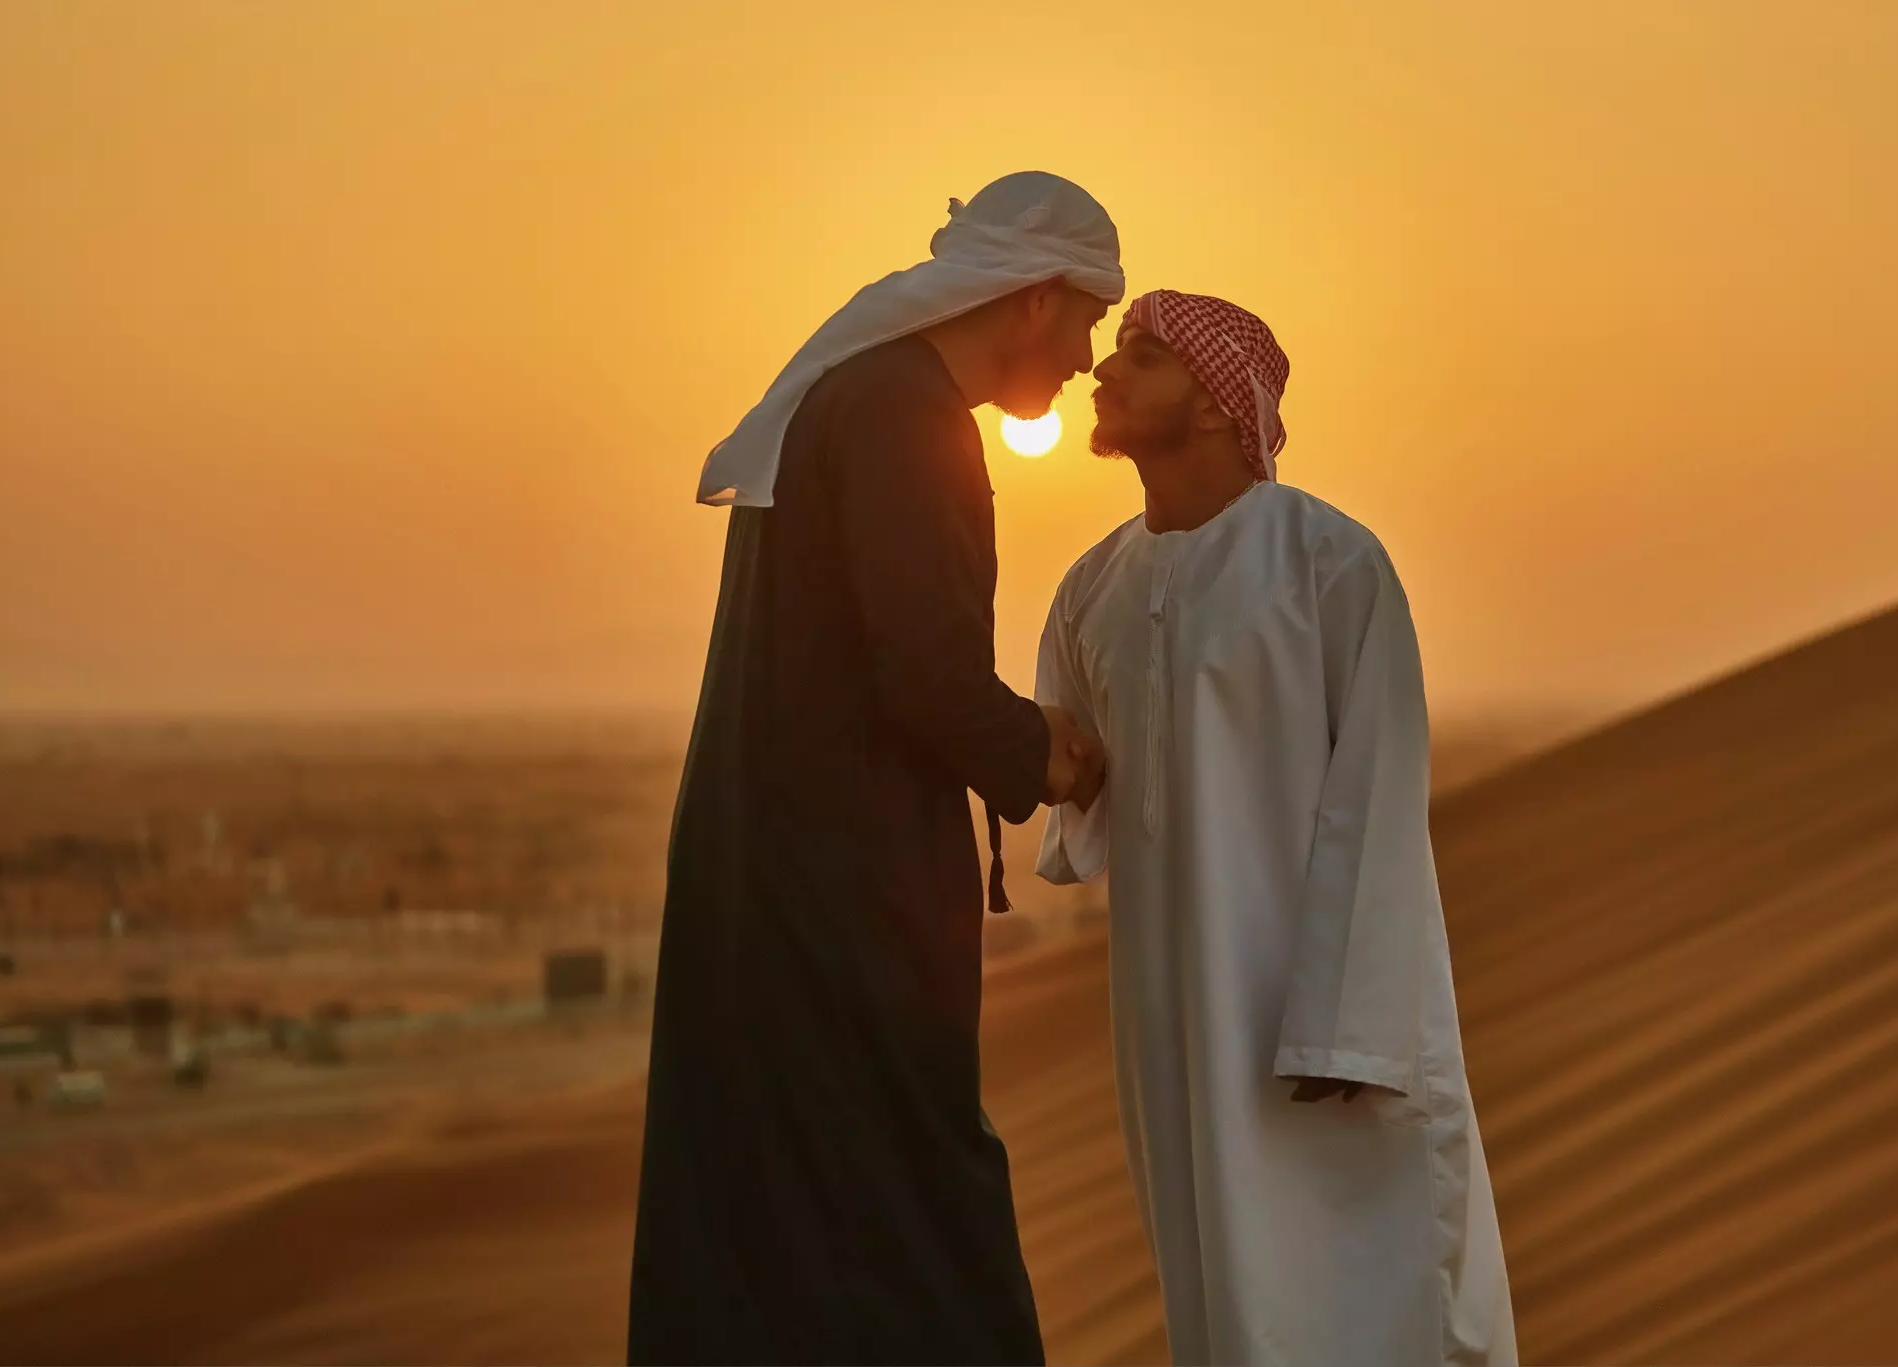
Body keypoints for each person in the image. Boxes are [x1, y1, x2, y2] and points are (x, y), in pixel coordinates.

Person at [628, 171, 1116, 1365]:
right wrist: (1044, 754)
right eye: (1091, 318)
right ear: (1033, 299)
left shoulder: (860, 399)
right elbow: (926, 675)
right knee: (906, 1206)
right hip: (837, 894)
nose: (1090, 358)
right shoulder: (905, 416)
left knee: (788, 1207)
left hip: (784, 873)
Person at [1034, 289, 1516, 1366]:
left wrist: (1347, 1022)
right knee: (1221, 1283)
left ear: (1214, 403)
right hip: (1173, 1014)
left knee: (1372, 1278)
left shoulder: (1328, 560)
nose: (1106, 374)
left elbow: (1378, 791)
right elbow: (1080, 787)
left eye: (1143, 356)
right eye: (1112, 352)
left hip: (1328, 1021)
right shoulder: (1090, 587)